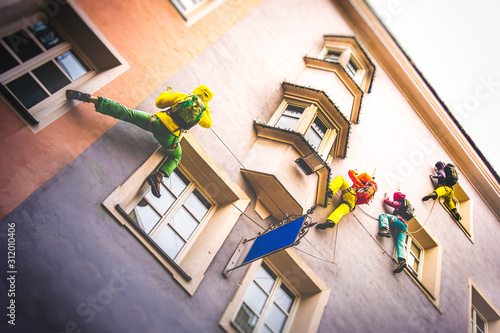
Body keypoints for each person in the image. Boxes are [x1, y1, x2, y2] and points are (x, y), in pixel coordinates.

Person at [66, 86, 213, 198]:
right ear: (207, 100)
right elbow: (208, 124)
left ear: (196, 90)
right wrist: (206, 110)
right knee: (176, 157)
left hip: (155, 122)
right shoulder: (202, 112)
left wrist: (168, 92)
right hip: (170, 137)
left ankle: (89, 98)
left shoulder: (184, 97)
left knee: (126, 113)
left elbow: (159, 102)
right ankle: (158, 176)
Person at [378, 191, 414, 273]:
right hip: (405, 226)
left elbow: (388, 202)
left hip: (399, 221)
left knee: (383, 216)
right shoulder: (406, 204)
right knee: (400, 243)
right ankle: (402, 260)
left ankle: (385, 229)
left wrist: (386, 197)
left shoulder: (400, 203)